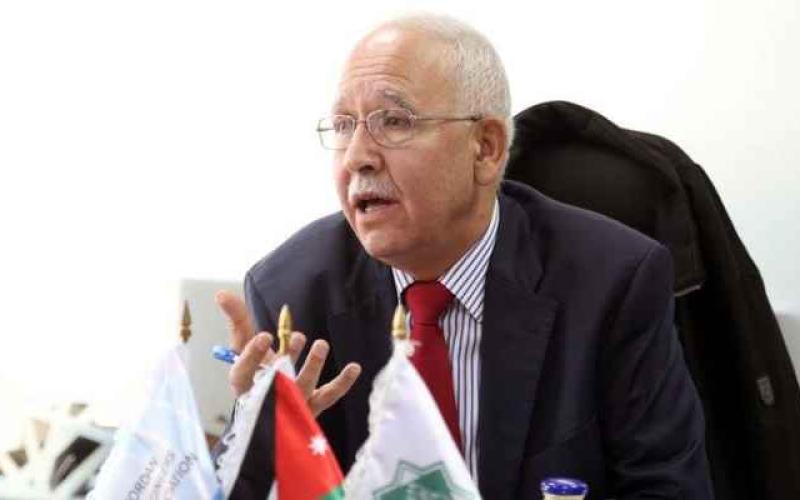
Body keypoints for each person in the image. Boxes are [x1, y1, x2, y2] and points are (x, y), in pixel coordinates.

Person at [215, 14, 714, 499]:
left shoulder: (612, 282)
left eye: (394, 121)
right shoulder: (291, 293)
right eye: (344, 126)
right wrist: (258, 446)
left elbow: (668, 487)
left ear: (486, 148)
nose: (357, 157)